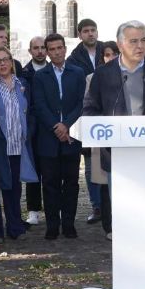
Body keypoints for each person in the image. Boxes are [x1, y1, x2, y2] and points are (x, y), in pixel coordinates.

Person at [83, 21, 145, 239]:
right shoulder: (102, 74)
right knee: (123, 212)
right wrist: (110, 124)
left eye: (143, 40)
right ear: (120, 44)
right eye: (134, 41)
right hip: (117, 156)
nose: (141, 46)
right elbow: (89, 111)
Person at [32, 33, 86, 240]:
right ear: (46, 52)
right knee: (50, 183)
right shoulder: (40, 76)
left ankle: (69, 224)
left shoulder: (77, 72)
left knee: (71, 183)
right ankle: (52, 224)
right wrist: (56, 126)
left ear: (65, 49)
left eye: (59, 48)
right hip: (49, 137)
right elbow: (39, 105)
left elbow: (82, 103)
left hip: (72, 136)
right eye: (51, 49)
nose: (56, 52)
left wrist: (67, 125)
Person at [0, 46, 38, 240]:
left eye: (5, 59)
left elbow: (31, 111)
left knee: (15, 189)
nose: (2, 63)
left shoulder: (22, 83)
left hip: (19, 145)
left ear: (11, 62)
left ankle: (15, 226)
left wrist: (29, 131)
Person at [66, 18, 104, 224]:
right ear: (80, 34)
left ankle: (110, 204)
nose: (91, 34)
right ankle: (97, 206)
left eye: (93, 30)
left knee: (107, 163)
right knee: (90, 165)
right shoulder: (73, 59)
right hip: (86, 115)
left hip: (107, 115)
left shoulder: (106, 51)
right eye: (86, 31)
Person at [86, 41, 120, 239]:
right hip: (105, 139)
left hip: (127, 140)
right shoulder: (94, 77)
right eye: (107, 54)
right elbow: (90, 106)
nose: (111, 57)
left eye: (114, 53)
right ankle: (109, 226)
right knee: (106, 185)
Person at [21, 36, 47, 226]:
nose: (40, 51)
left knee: (52, 172)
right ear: (30, 51)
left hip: (50, 127)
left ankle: (54, 207)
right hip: (32, 129)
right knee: (33, 171)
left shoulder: (53, 70)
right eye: (35, 48)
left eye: (42, 47)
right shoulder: (24, 73)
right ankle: (33, 210)